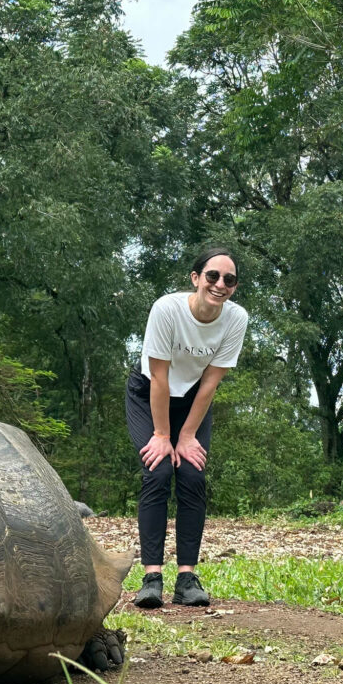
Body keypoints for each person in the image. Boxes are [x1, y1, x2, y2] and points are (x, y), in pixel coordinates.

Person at [126, 247, 248, 608]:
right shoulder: (167, 310)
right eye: (212, 276)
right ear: (196, 279)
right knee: (158, 471)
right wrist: (163, 436)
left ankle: (186, 578)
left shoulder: (236, 319)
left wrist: (188, 435)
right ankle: (151, 578)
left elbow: (210, 383)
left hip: (192, 402)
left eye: (229, 279)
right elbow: (159, 378)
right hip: (149, 394)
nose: (219, 284)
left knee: (193, 474)